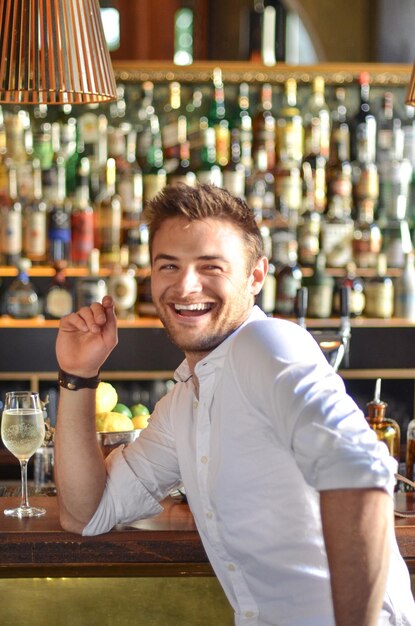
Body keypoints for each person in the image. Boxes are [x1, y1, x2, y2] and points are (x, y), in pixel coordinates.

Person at [55, 183, 415, 626]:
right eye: (169, 265)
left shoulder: (265, 344)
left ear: (256, 276)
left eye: (211, 267)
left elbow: (360, 470)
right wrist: (78, 376)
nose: (186, 286)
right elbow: (85, 514)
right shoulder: (186, 400)